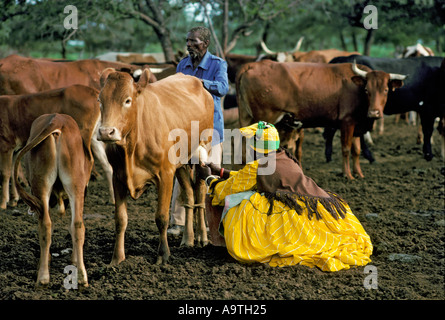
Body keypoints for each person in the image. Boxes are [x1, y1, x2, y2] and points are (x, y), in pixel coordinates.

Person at [200, 121, 373, 272]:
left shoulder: (258, 166)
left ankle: (225, 245)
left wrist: (208, 177)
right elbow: (247, 176)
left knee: (240, 204)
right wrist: (221, 171)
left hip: (292, 211)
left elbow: (228, 189)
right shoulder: (284, 157)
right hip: (317, 205)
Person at [168, 26, 229, 235]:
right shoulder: (182, 65)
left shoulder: (218, 64)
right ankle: (178, 222)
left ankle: (214, 223)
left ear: (205, 43)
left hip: (211, 129)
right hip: (184, 130)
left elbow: (222, 88)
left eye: (193, 41)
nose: (189, 45)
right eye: (187, 40)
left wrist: (198, 83)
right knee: (181, 177)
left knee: (212, 176)